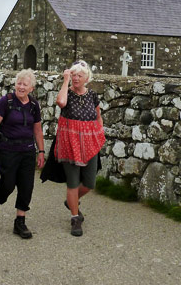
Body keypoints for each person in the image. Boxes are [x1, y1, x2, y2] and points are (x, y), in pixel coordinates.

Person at [0, 69, 45, 239]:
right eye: (19, 83)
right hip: (7, 150)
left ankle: (20, 222)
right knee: (8, 184)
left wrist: (41, 151)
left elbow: (38, 130)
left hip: (27, 151)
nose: (21, 87)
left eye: (25, 84)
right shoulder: (6, 102)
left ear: (31, 88)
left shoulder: (34, 105)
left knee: (26, 186)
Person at [55, 60, 105, 237]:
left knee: (89, 183)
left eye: (79, 75)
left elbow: (98, 116)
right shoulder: (67, 94)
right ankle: (75, 218)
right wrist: (65, 80)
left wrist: (100, 134)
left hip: (90, 143)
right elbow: (60, 103)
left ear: (87, 78)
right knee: (73, 183)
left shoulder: (92, 95)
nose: (76, 78)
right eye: (73, 75)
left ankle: (71, 202)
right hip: (70, 143)